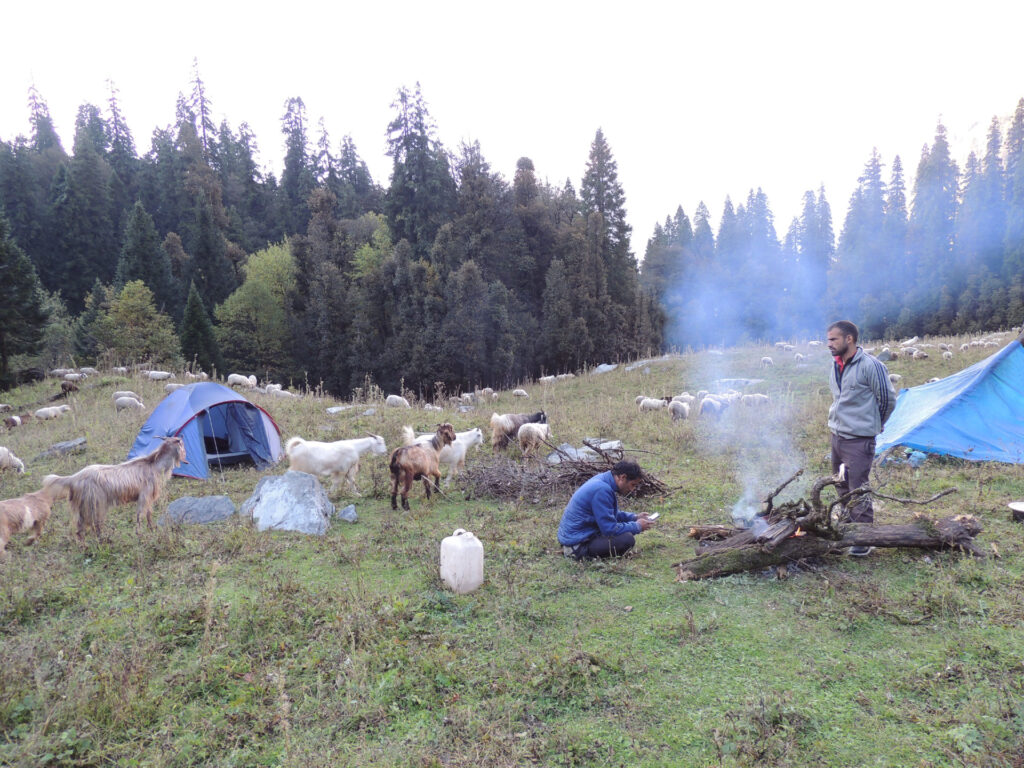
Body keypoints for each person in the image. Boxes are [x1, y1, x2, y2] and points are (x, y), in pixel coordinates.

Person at [826, 320, 897, 556]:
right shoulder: (835, 365)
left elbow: (887, 399)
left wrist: (876, 424)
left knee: (858, 486)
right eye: (828, 340)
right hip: (837, 436)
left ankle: (864, 537)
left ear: (849, 339)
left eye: (833, 339)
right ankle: (847, 527)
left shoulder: (870, 365)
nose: (829, 344)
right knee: (841, 484)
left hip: (859, 439)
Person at [557, 460, 654, 560]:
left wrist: (634, 517)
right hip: (577, 544)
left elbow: (608, 513)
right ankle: (574, 553)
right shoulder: (602, 490)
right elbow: (610, 529)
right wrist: (637, 526)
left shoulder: (603, 480)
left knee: (625, 535)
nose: (632, 489)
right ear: (623, 477)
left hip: (576, 537)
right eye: (632, 485)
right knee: (627, 539)